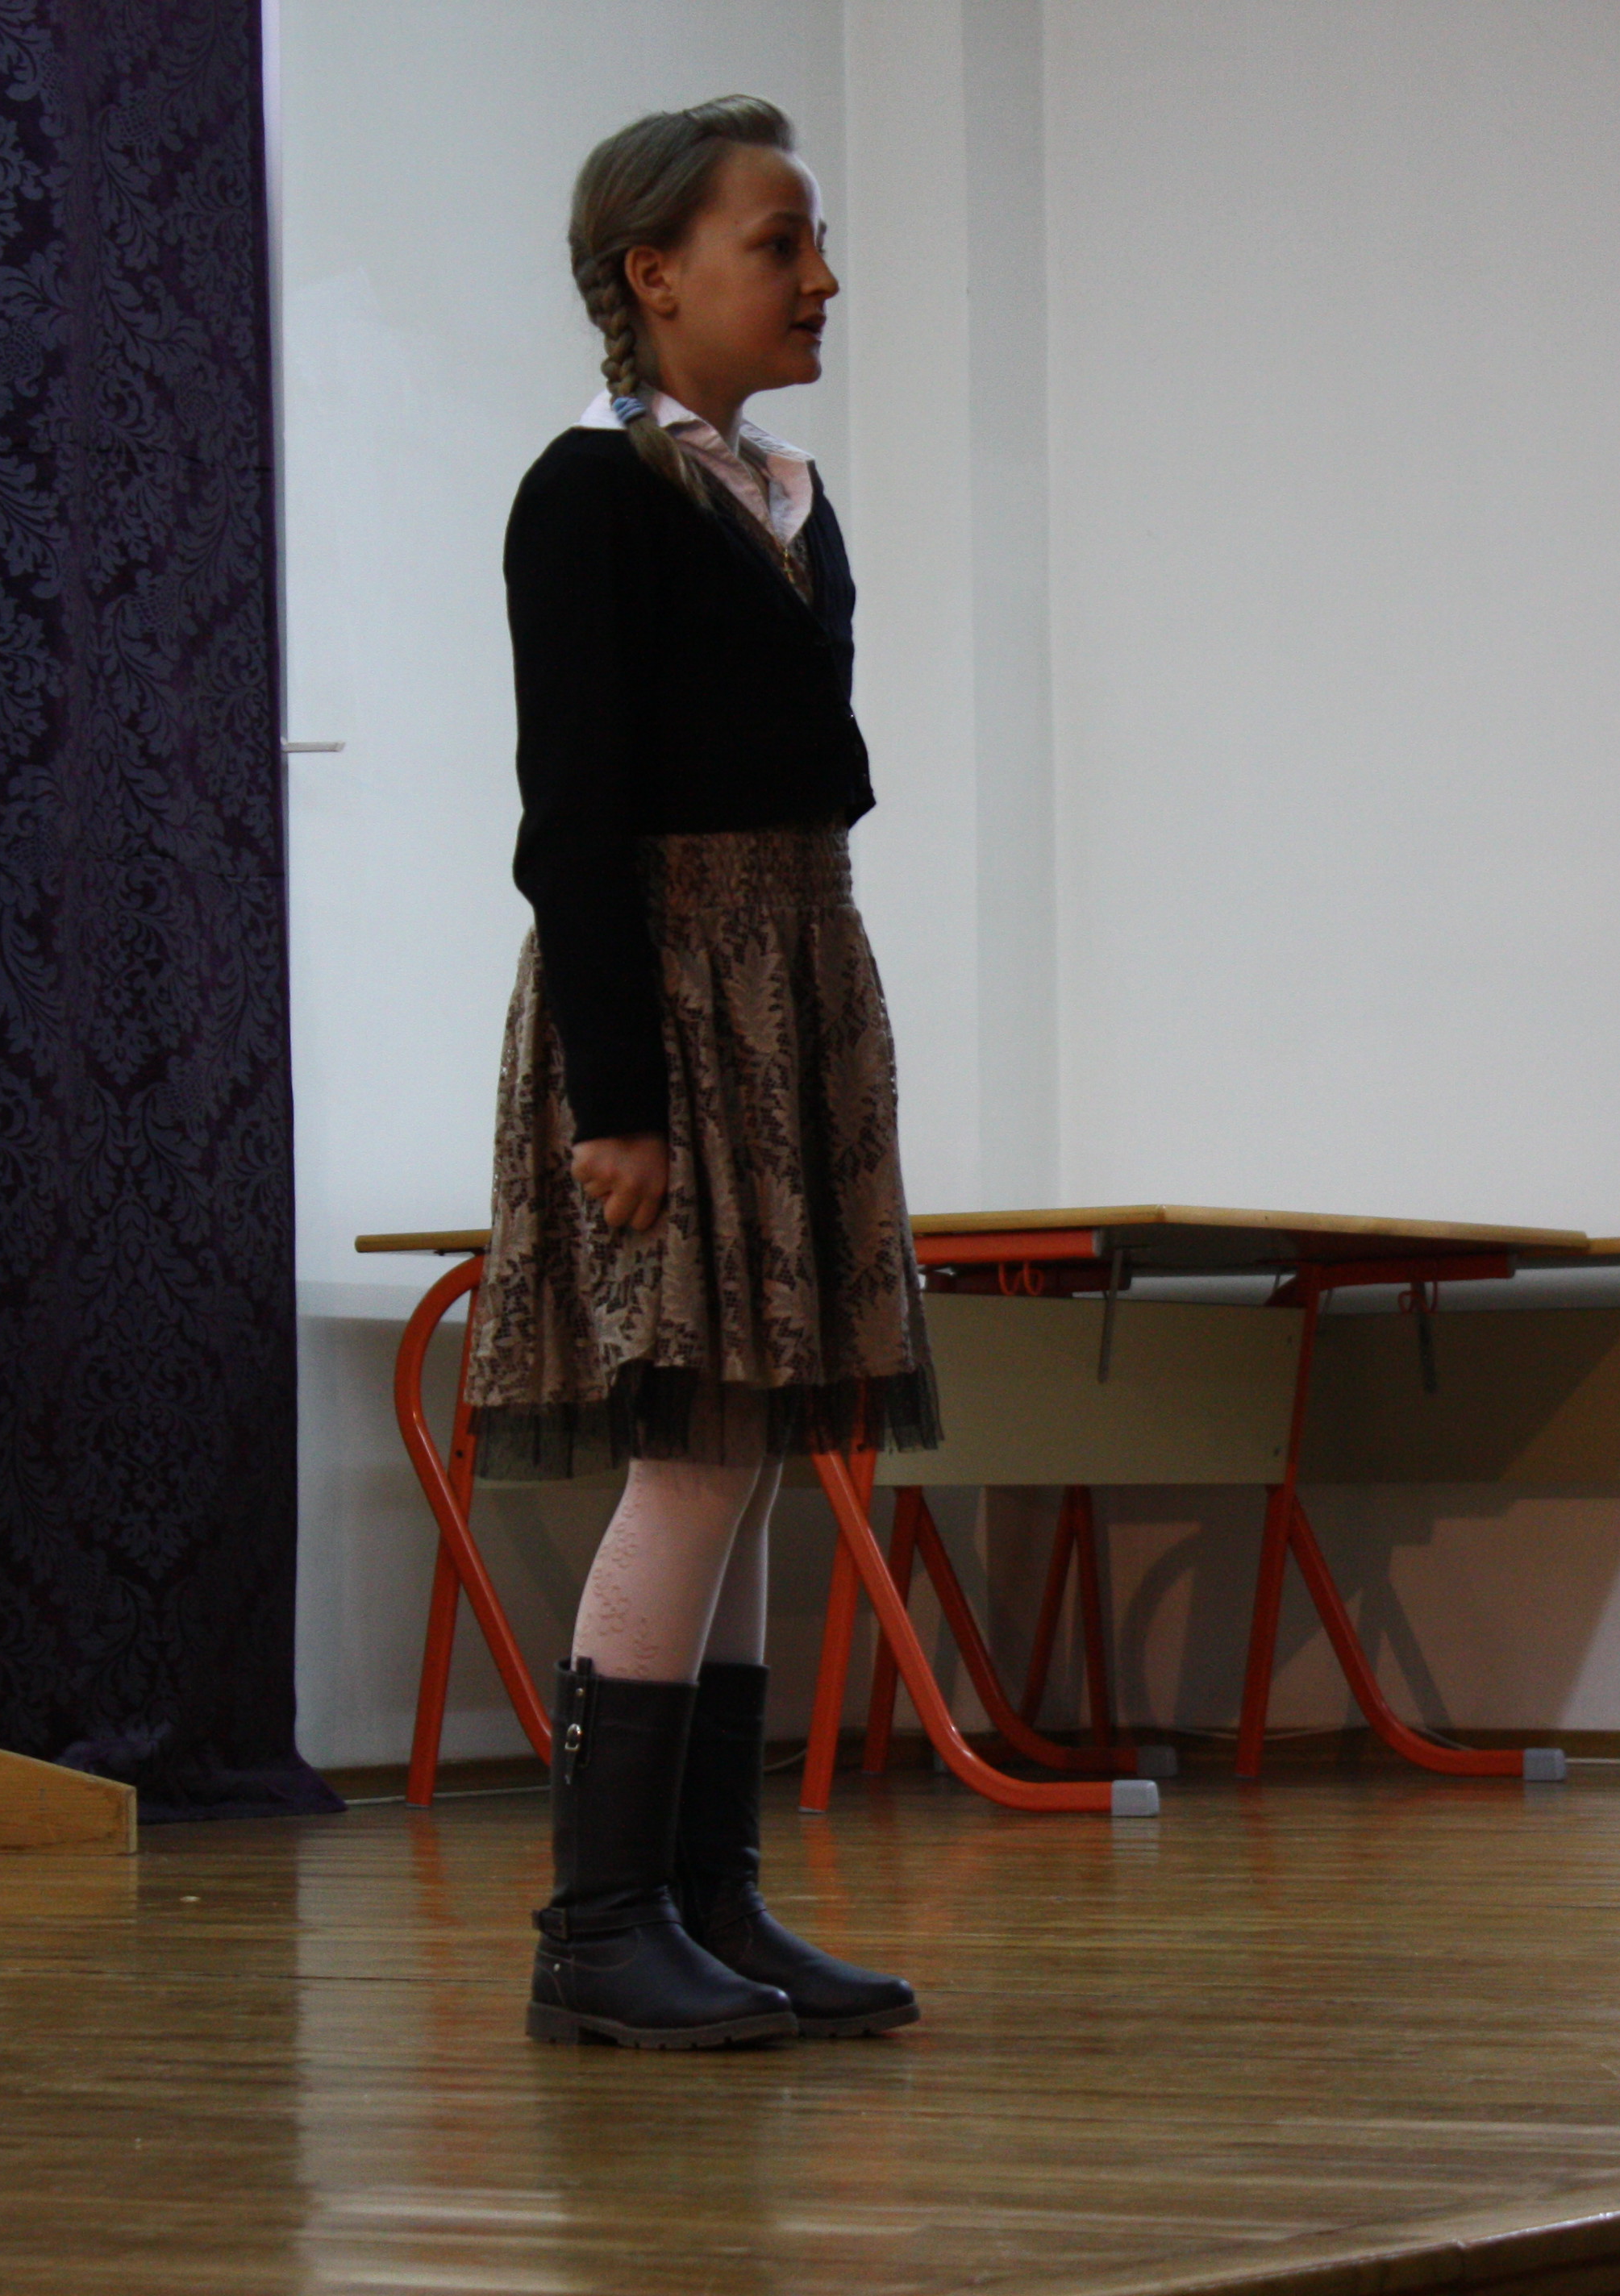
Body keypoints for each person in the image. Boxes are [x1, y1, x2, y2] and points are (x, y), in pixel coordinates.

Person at [466, 96, 936, 2050]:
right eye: (779, 242)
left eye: (814, 243)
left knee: (746, 1440)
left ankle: (708, 1892)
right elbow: (572, 815)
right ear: (654, 273)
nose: (820, 277)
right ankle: (598, 1925)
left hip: (790, 974)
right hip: (671, 999)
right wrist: (621, 1100)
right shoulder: (589, 495)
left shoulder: (781, 495)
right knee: (690, 1445)